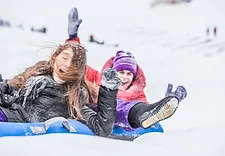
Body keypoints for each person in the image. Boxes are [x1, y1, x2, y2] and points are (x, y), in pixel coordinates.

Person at [0, 8, 122, 137]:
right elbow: (10, 86)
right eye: (64, 57)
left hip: (18, 121)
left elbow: (102, 128)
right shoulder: (37, 73)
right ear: (55, 57)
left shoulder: (74, 96)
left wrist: (109, 90)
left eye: (74, 63)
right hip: (9, 109)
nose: (67, 64)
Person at [66, 7, 187, 131]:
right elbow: (75, 66)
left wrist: (167, 102)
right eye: (121, 72)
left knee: (131, 108)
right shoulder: (98, 77)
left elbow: (143, 108)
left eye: (129, 73)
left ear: (134, 77)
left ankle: (143, 115)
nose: (124, 77)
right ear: (113, 72)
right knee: (113, 103)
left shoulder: (137, 94)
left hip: (122, 122)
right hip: (94, 114)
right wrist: (72, 39)